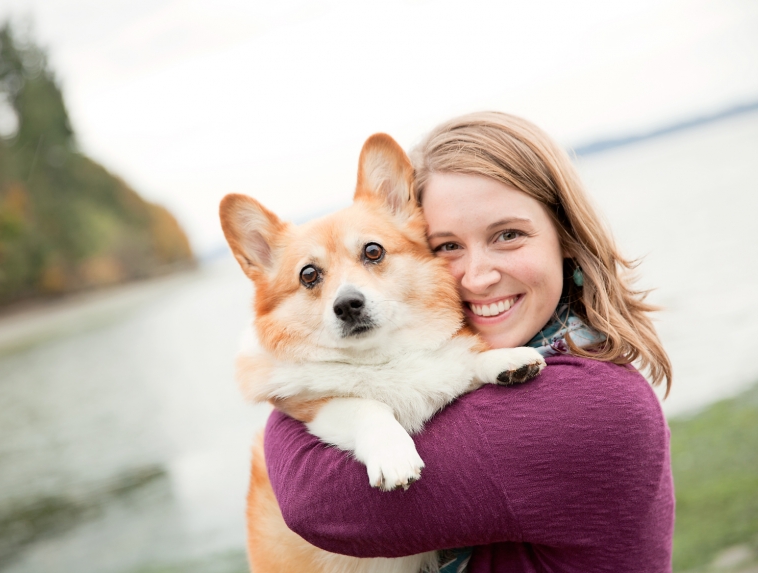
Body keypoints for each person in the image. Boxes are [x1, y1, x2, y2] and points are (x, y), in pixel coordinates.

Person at [263, 111, 674, 572]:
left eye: (508, 235)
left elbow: (313, 501)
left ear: (566, 238)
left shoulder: (587, 405)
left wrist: (297, 381)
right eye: (447, 247)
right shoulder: (544, 354)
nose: (477, 278)